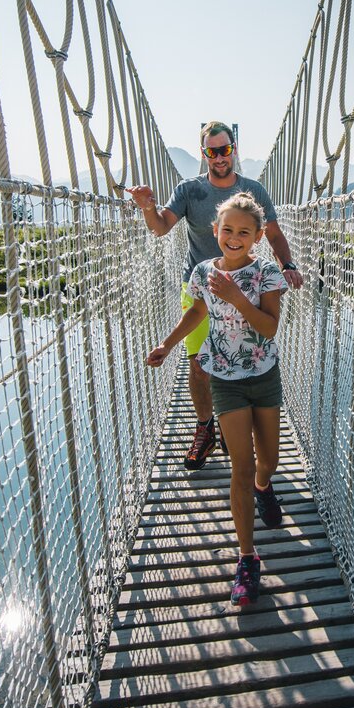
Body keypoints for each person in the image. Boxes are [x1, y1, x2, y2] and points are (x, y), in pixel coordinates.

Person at [128, 121, 302, 471]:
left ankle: (229, 420)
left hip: (247, 289)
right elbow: (161, 227)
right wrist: (148, 207)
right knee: (199, 366)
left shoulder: (253, 191)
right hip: (200, 288)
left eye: (225, 150)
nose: (219, 157)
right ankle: (206, 428)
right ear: (203, 153)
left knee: (246, 352)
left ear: (234, 148)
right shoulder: (189, 190)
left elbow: (273, 232)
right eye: (212, 151)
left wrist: (287, 263)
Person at [146, 193, 288, 606]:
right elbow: (196, 313)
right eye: (227, 229)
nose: (234, 237)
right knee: (241, 466)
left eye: (244, 232)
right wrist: (168, 345)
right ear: (215, 231)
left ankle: (265, 486)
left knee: (269, 461)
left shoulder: (266, 273)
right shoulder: (203, 271)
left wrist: (236, 298)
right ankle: (247, 559)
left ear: (258, 236)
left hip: (263, 374)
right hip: (223, 376)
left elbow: (269, 329)